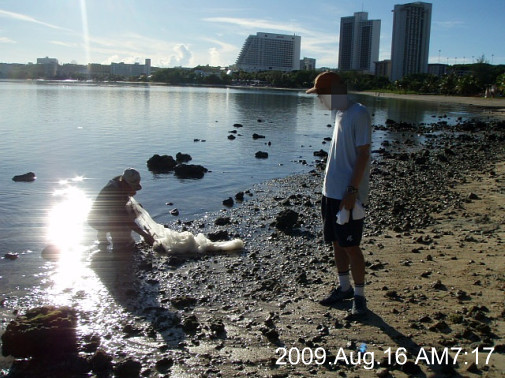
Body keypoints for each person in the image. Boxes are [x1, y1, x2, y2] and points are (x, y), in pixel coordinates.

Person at [306, 72, 372, 316]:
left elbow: (364, 154)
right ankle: (344, 288)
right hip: (330, 191)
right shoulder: (340, 113)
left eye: (321, 95)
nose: (320, 100)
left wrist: (352, 190)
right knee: (336, 242)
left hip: (348, 194)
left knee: (351, 245)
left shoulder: (359, 113)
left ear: (334, 92)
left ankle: (360, 296)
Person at [88, 168, 155, 249]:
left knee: (136, 208)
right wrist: (144, 235)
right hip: (96, 221)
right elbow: (124, 218)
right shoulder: (115, 194)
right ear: (125, 182)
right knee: (121, 223)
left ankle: (102, 234)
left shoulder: (119, 181)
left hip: (102, 215)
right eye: (132, 186)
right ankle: (118, 244)